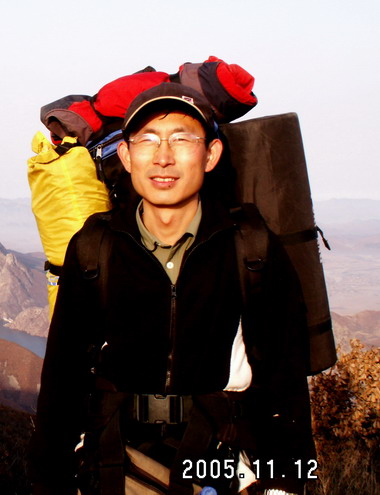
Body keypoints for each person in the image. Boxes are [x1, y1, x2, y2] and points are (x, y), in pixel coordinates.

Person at [29, 83, 315, 495]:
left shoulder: (250, 248)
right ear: (126, 156)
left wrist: (285, 485)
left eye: (182, 139)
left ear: (211, 154)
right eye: (147, 140)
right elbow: (62, 380)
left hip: (221, 464)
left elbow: (285, 383)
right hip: (117, 465)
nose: (163, 157)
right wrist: (49, 481)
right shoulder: (95, 249)